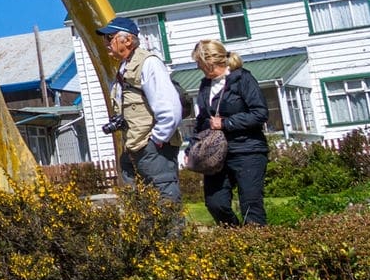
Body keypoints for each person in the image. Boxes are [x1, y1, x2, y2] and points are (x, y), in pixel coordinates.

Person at [104, 17, 181, 203]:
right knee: (142, 208)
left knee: (166, 203)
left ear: (128, 40)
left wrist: (156, 140)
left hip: (153, 149)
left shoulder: (149, 63)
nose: (105, 43)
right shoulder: (124, 67)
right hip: (134, 147)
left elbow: (170, 108)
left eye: (109, 37)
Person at [192, 39, 268, 225]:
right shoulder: (205, 85)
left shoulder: (242, 79)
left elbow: (260, 113)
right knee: (215, 203)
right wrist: (193, 146)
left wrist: (227, 123)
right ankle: (235, 240)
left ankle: (258, 245)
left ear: (210, 62)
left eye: (200, 64)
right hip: (216, 154)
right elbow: (202, 119)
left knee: (250, 204)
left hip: (247, 150)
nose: (198, 67)